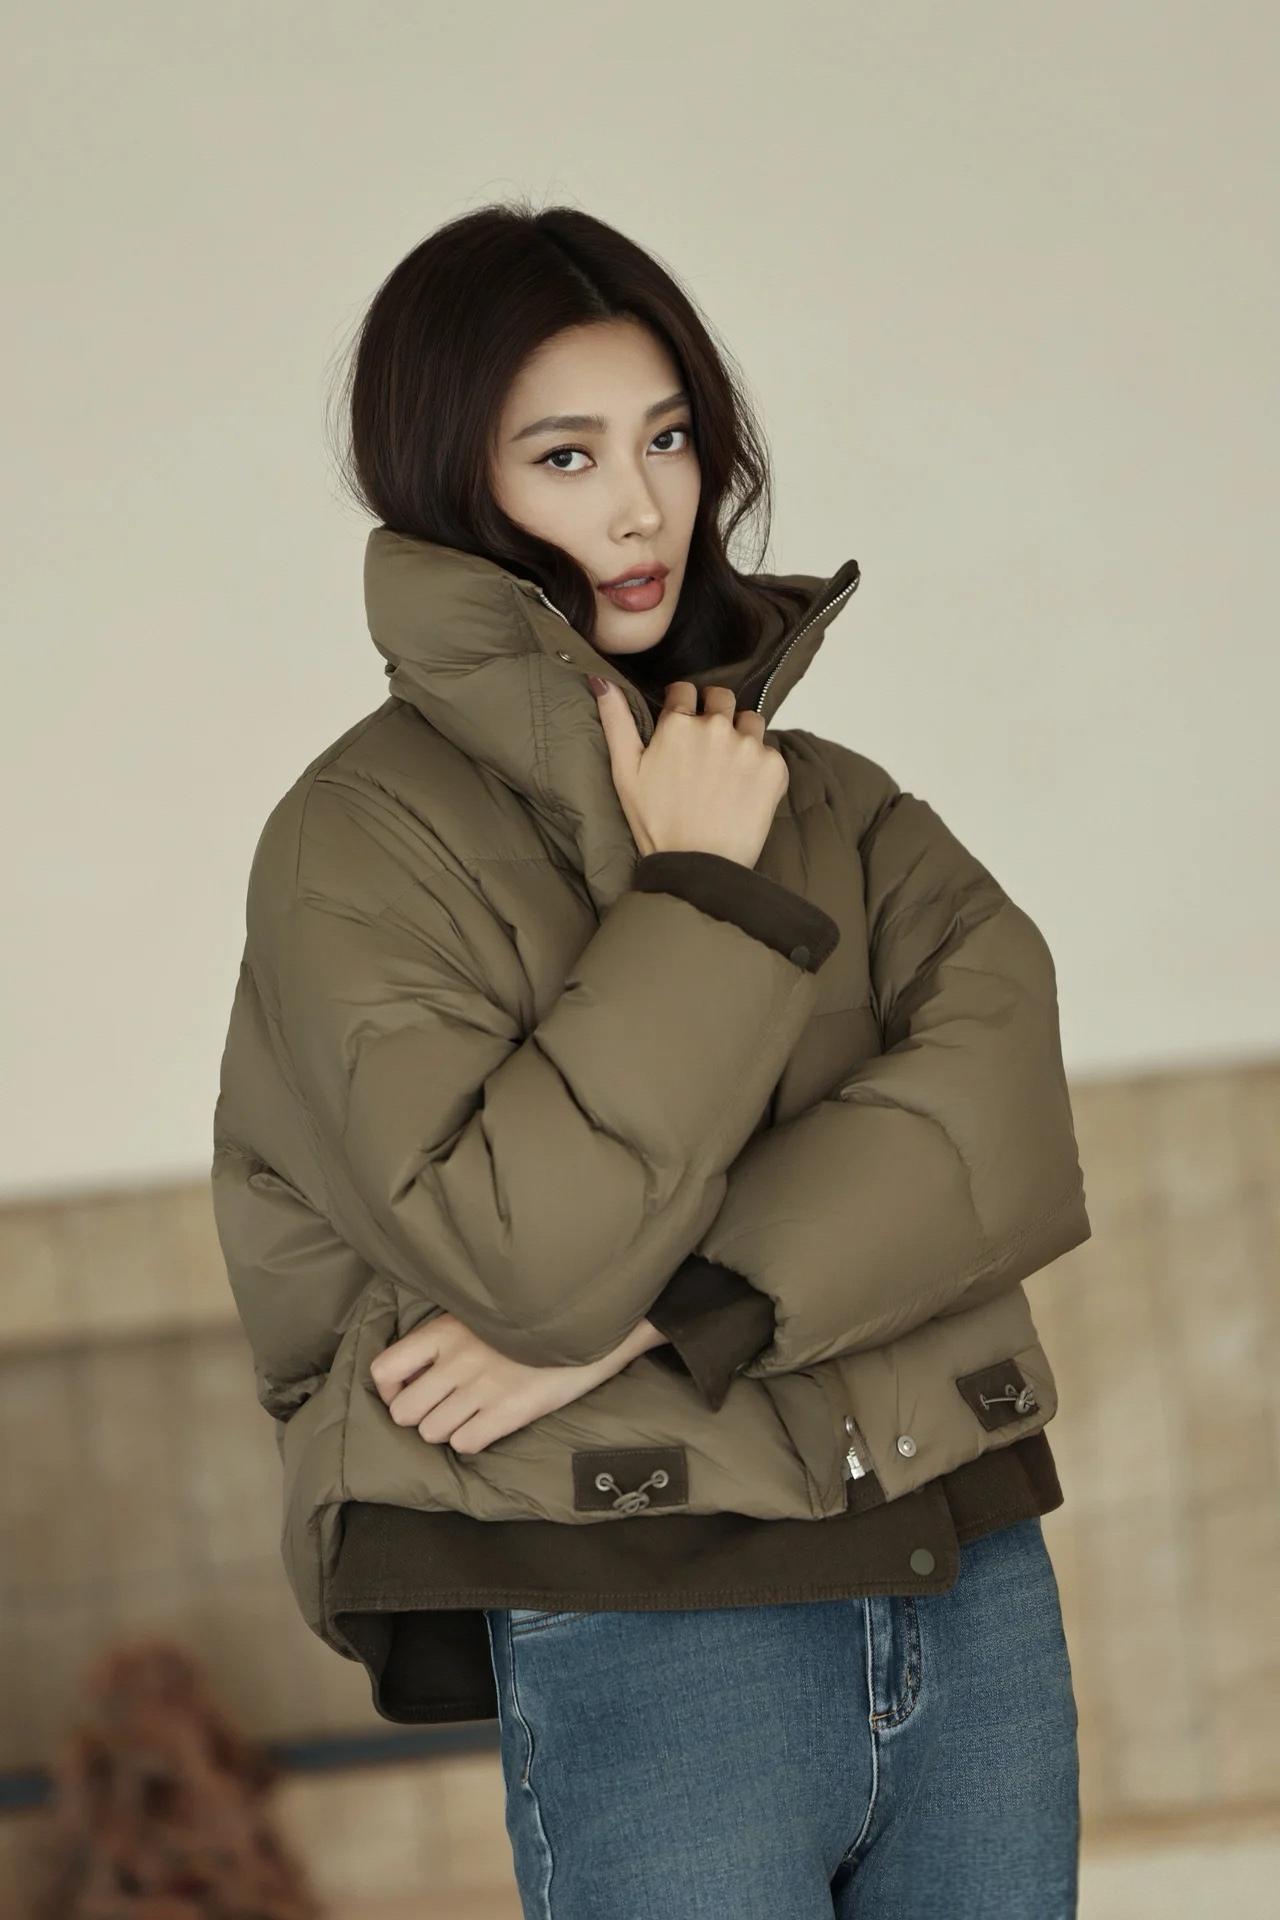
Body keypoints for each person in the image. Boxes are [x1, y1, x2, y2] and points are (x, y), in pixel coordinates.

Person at [211, 200, 1090, 1918]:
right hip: (645, 1616)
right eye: (566, 456)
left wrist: (675, 1313)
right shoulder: (354, 848)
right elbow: (529, 1261)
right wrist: (694, 892)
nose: (640, 507)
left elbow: (1005, 1110)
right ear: (455, 488)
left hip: (965, 1572)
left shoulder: (827, 799)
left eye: (668, 439)